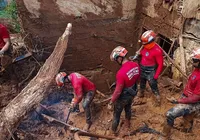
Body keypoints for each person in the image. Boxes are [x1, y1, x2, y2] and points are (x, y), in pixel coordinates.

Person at [159, 47, 200, 140]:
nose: (193, 61)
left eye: (195, 60)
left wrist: (179, 100)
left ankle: (164, 136)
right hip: (187, 96)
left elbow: (196, 97)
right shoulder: (197, 70)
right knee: (188, 116)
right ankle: (187, 130)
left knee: (170, 114)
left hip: (193, 102)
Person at [108, 46, 140, 134]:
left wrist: (111, 102)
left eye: (115, 60)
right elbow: (137, 78)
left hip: (123, 96)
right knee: (128, 108)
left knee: (116, 114)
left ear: (119, 58)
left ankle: (113, 131)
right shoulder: (136, 65)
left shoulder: (120, 73)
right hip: (132, 91)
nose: (116, 62)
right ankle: (127, 123)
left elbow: (118, 91)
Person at [131, 30, 163, 106]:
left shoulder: (157, 51)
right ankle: (141, 92)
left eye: (146, 44)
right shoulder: (143, 47)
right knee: (142, 82)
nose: (144, 45)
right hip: (142, 67)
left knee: (153, 84)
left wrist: (156, 75)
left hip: (150, 70)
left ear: (151, 41)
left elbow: (160, 64)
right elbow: (143, 56)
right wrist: (138, 56)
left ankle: (157, 97)